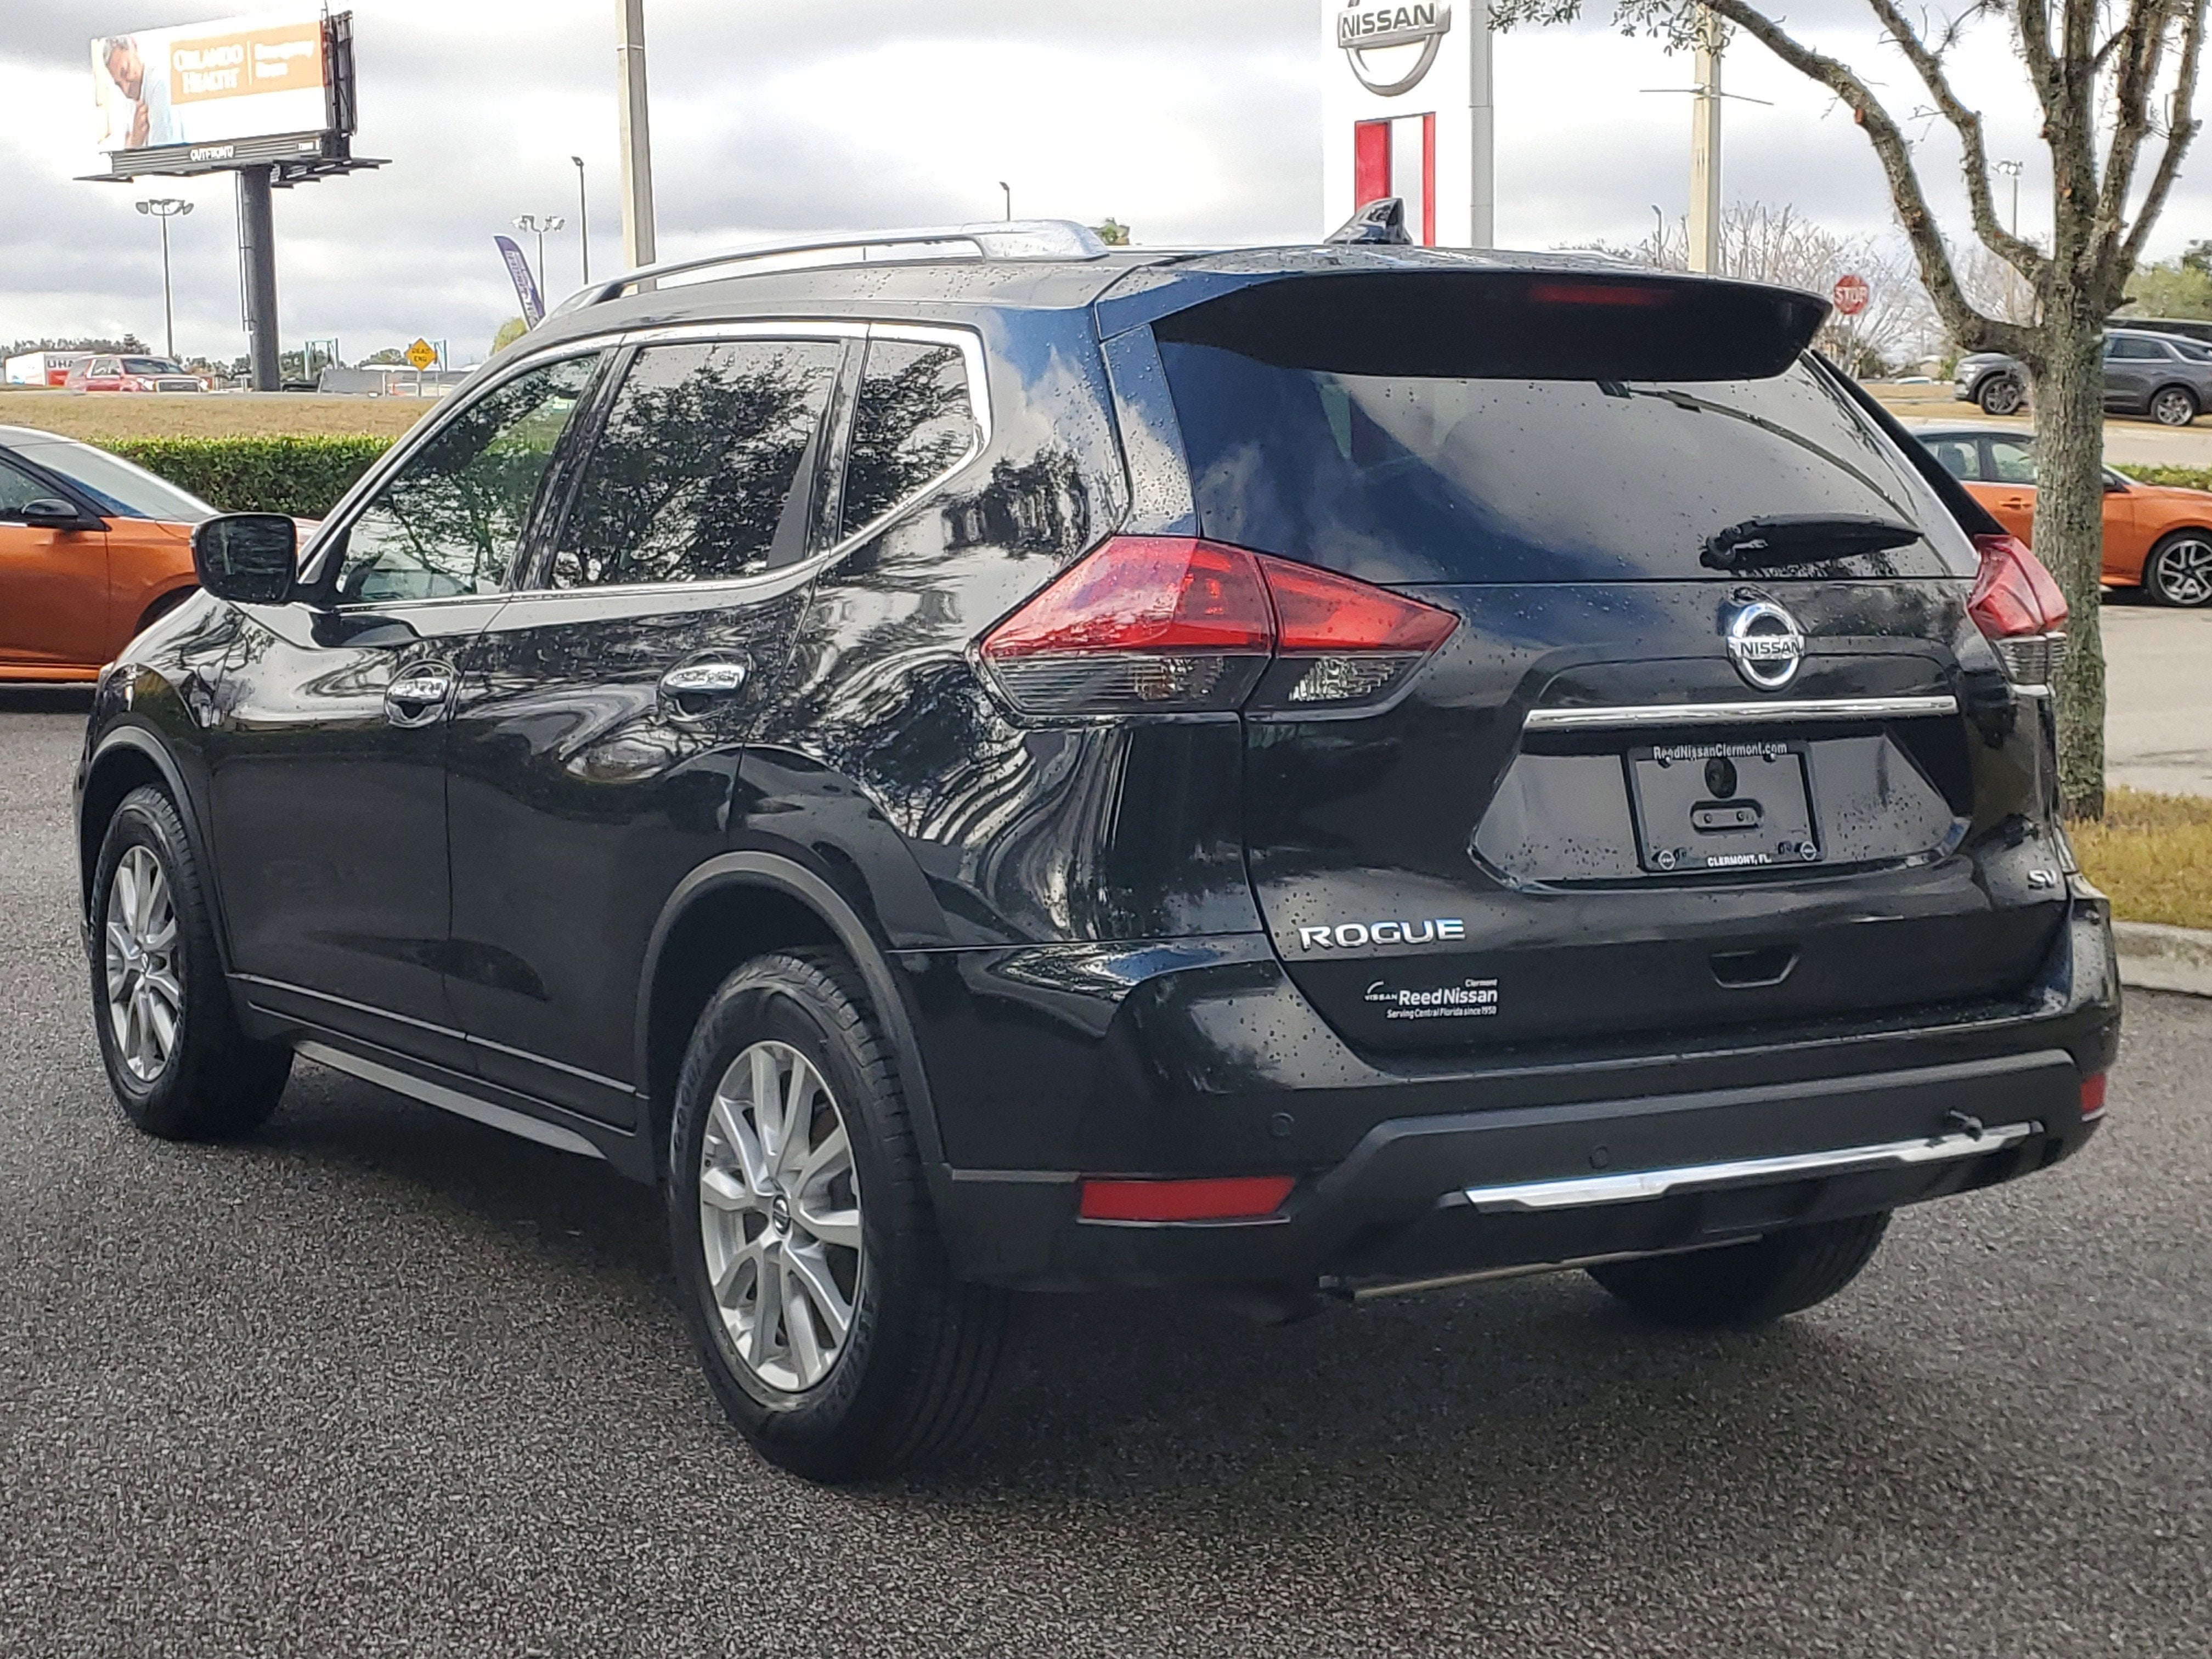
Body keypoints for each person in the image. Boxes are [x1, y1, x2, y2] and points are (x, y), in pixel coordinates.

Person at [99, 37, 180, 149]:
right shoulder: (131, 101)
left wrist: (133, 146)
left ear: (134, 46)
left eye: (126, 72)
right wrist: (134, 143)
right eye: (119, 84)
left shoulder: (160, 84)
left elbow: (163, 160)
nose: (126, 91)